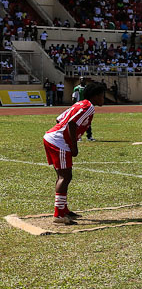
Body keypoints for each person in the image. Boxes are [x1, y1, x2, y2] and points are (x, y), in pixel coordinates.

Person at [42, 82, 106, 224]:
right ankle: (59, 215)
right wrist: (73, 145)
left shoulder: (80, 103)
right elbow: (71, 123)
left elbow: (59, 118)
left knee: (62, 176)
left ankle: (63, 209)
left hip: (51, 137)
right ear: (95, 96)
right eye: (102, 95)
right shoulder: (89, 107)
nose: (104, 98)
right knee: (65, 176)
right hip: (59, 141)